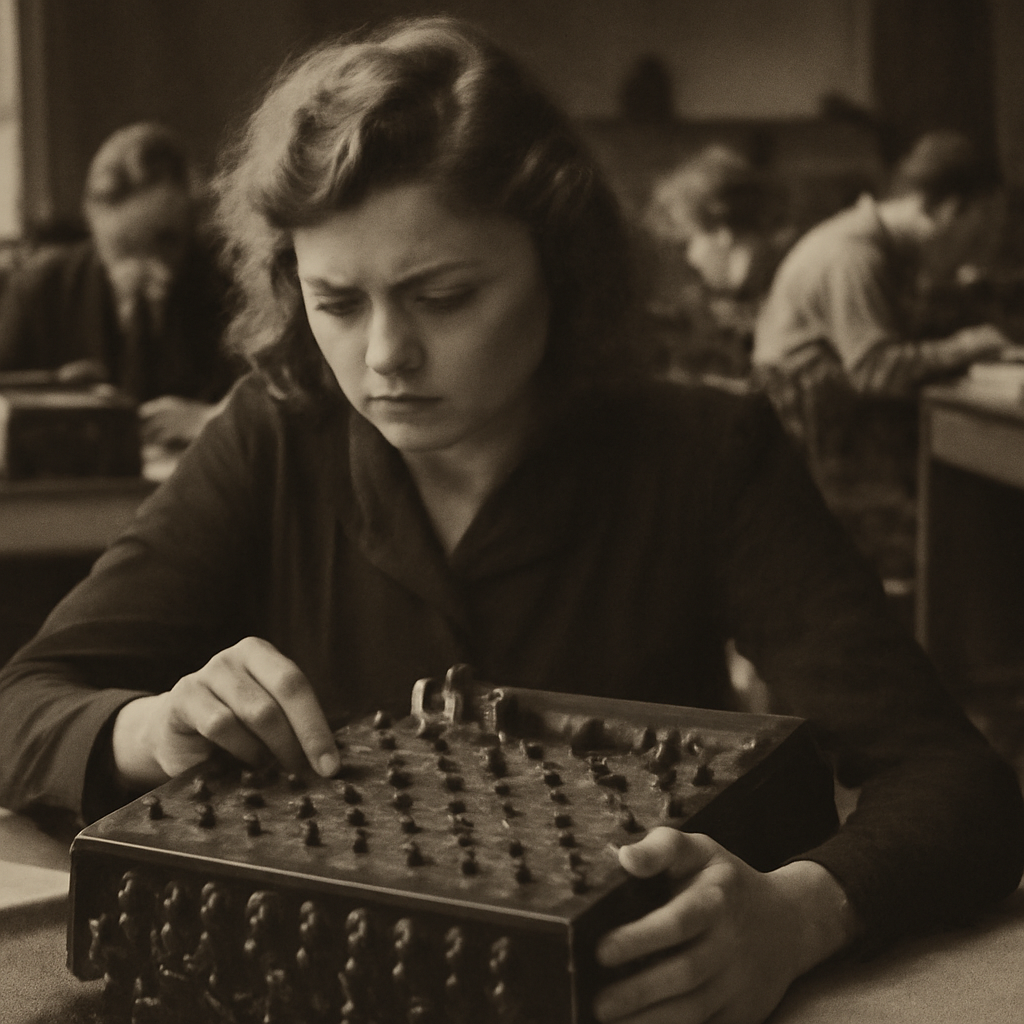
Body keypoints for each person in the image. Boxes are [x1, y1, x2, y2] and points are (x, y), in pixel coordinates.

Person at [0, 19, 1021, 1024]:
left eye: (442, 296)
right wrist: (152, 727)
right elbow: (23, 702)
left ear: (558, 268)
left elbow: (956, 782)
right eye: (336, 302)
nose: (384, 355)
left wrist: (799, 912)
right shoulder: (274, 436)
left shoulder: (703, 454)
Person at [752, 129, 1014, 448]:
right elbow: (875, 371)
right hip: (813, 444)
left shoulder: (884, 247)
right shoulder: (853, 255)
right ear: (946, 211)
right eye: (974, 240)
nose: (969, 260)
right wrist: (968, 345)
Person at [0, 121, 238, 450]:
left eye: (164, 242)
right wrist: (56, 396)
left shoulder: (228, 281)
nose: (142, 268)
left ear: (191, 222)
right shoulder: (42, 287)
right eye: (124, 249)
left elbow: (270, 391)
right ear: (93, 221)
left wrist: (213, 419)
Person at [640, 144, 794, 382]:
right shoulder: (690, 247)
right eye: (721, 196)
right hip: (704, 358)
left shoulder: (764, 246)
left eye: (738, 195)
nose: (726, 206)